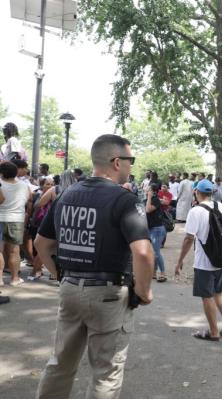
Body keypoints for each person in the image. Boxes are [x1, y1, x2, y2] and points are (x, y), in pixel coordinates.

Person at [34, 134, 154, 398]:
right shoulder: (125, 200)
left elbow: (41, 244)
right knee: (106, 372)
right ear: (115, 162)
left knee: (60, 363)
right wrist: (144, 292)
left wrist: (61, 276)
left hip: (70, 287)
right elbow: (143, 253)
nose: (131, 165)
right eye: (130, 160)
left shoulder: (65, 195)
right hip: (109, 295)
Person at [175, 179, 222, 341]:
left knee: (207, 296)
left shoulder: (195, 211)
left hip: (204, 261)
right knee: (218, 292)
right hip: (220, 257)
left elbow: (188, 238)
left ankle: (214, 332)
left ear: (197, 192)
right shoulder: (220, 206)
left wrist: (180, 260)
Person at [0, 161, 32, 286]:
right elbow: (28, 199)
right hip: (16, 219)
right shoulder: (24, 185)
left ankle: (0, 280)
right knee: (14, 251)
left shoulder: (0, 184)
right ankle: (15, 279)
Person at [146, 183, 167, 282]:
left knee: (156, 252)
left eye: (148, 187)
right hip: (151, 228)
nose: (145, 188)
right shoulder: (151, 199)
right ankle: (154, 272)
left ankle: (163, 273)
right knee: (153, 252)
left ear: (152, 190)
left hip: (157, 229)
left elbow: (148, 210)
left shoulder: (155, 199)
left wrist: (149, 197)